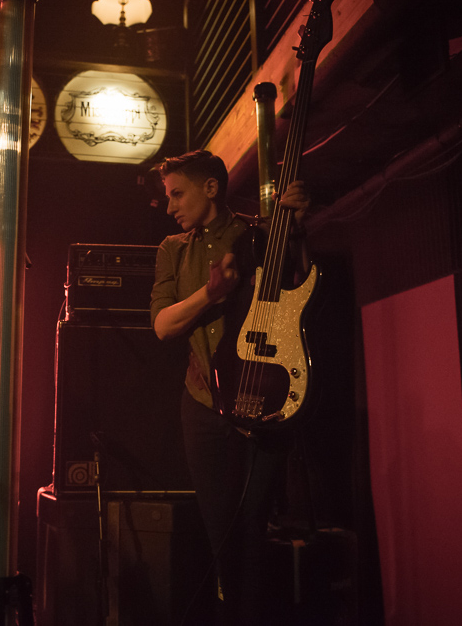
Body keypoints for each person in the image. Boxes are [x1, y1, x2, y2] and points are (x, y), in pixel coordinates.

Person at [150, 150, 309, 625]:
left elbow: (296, 293)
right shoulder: (171, 250)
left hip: (262, 397)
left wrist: (297, 227)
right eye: (168, 196)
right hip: (200, 404)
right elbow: (162, 326)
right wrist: (209, 294)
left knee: (252, 528)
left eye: (178, 194)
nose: (170, 205)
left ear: (211, 189)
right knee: (221, 531)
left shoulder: (257, 235)